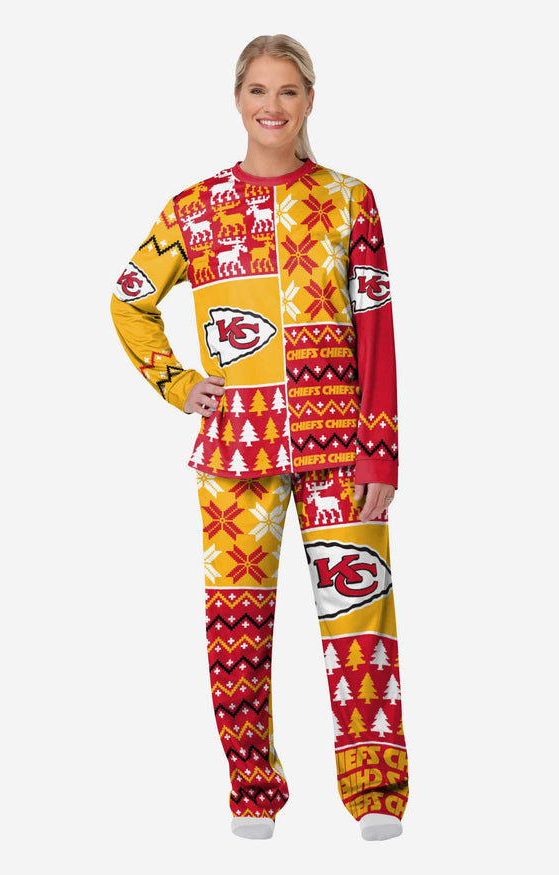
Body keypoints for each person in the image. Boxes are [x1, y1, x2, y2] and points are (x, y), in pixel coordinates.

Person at [110, 34, 409, 841]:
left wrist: (381, 447)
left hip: (341, 448)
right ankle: (252, 789)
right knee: (235, 625)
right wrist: (178, 383)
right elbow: (129, 299)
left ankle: (376, 789)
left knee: (360, 619)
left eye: (287, 91)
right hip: (235, 452)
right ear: (237, 99)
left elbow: (376, 331)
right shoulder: (193, 207)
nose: (272, 106)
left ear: (309, 100)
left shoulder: (350, 200)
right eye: (258, 90)